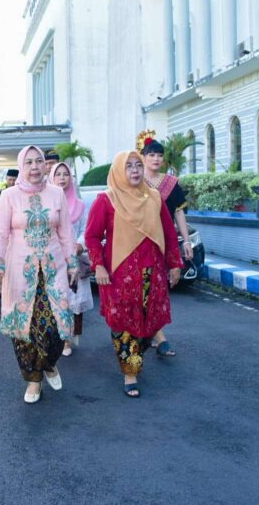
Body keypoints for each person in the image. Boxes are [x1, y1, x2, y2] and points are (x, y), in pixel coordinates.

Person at [84, 150, 182, 398]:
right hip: (119, 276)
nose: (135, 170)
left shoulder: (154, 198)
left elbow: (169, 234)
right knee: (124, 325)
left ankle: (137, 357)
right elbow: (92, 236)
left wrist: (174, 264)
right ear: (119, 170)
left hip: (153, 273)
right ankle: (130, 372)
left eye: (138, 165)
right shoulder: (106, 200)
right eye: (129, 166)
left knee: (149, 325)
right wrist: (98, 265)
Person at [0, 146, 78, 404]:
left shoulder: (56, 193)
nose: (35, 167)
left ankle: (50, 362)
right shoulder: (9, 196)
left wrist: (72, 264)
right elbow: (1, 235)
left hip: (54, 270)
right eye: (28, 163)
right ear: (21, 166)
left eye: (39, 161)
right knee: (25, 330)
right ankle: (33, 379)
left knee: (55, 327)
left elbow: (65, 232)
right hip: (20, 272)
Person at [139, 134, 193, 357]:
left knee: (158, 290)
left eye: (159, 155)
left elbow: (178, 212)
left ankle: (156, 333)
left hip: (164, 241)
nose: (155, 159)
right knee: (143, 287)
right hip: (140, 242)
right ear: (142, 157)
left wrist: (186, 240)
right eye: (151, 154)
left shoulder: (172, 183)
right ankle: (153, 334)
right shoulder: (135, 181)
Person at [50, 162, 93, 357]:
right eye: (57, 174)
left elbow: (86, 230)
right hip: (52, 259)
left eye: (65, 174)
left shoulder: (80, 205)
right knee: (57, 300)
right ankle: (59, 338)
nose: (61, 178)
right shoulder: (46, 204)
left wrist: (79, 244)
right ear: (51, 178)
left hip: (73, 259)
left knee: (72, 300)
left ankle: (67, 339)